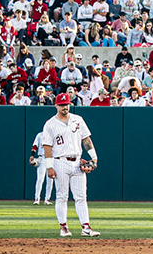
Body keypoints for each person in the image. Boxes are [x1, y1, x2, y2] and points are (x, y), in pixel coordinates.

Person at [42, 92, 101, 238]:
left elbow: (86, 139)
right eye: (62, 105)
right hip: (60, 161)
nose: (65, 107)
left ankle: (86, 227)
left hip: (77, 161)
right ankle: (63, 227)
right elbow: (47, 146)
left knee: (81, 197)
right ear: (56, 105)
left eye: (67, 104)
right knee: (62, 196)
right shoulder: (50, 124)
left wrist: (94, 157)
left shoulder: (78, 119)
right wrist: (49, 166)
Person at [30, 128, 56, 205]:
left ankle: (47, 199)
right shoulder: (40, 135)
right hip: (42, 158)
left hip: (52, 158)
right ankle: (37, 198)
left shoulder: (54, 135)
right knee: (40, 179)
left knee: (50, 180)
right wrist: (32, 155)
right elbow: (35, 146)